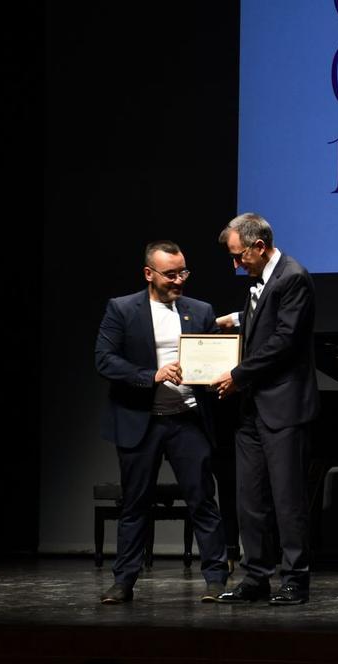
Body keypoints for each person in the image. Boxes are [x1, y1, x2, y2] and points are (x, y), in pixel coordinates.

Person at [94, 240, 229, 604]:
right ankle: (123, 582)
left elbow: (214, 352)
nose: (178, 280)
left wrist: (223, 370)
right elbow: (104, 360)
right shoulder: (122, 309)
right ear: (148, 274)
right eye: (170, 274)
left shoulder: (199, 310)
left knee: (203, 501)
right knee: (135, 505)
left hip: (187, 420)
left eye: (183, 272)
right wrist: (150, 375)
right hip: (142, 421)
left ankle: (216, 579)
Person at [212, 213, 319, 605]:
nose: (236, 264)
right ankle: (255, 577)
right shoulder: (262, 279)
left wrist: (237, 374)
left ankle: (295, 580)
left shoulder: (293, 276)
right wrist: (237, 320)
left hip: (284, 408)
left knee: (287, 500)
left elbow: (285, 340)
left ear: (259, 246)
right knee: (250, 498)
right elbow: (264, 319)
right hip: (253, 409)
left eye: (239, 256)